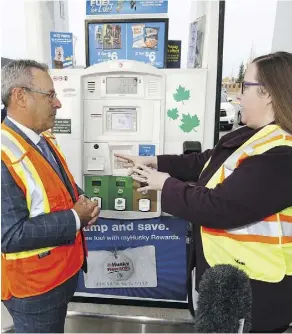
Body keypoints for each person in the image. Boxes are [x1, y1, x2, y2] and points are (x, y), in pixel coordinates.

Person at [116, 51, 292, 333]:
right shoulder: (253, 136)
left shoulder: (281, 154)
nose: (238, 96)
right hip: (227, 280)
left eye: (245, 86)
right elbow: (205, 162)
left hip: (253, 289)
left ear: (268, 93)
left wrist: (164, 183)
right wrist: (156, 162)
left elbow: (221, 207)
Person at [1, 59, 100, 333]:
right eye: (50, 95)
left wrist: (84, 202)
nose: (57, 104)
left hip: (59, 275)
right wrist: (74, 218)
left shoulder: (41, 138)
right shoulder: (3, 153)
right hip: (33, 289)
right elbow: (9, 235)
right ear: (20, 96)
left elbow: (60, 186)